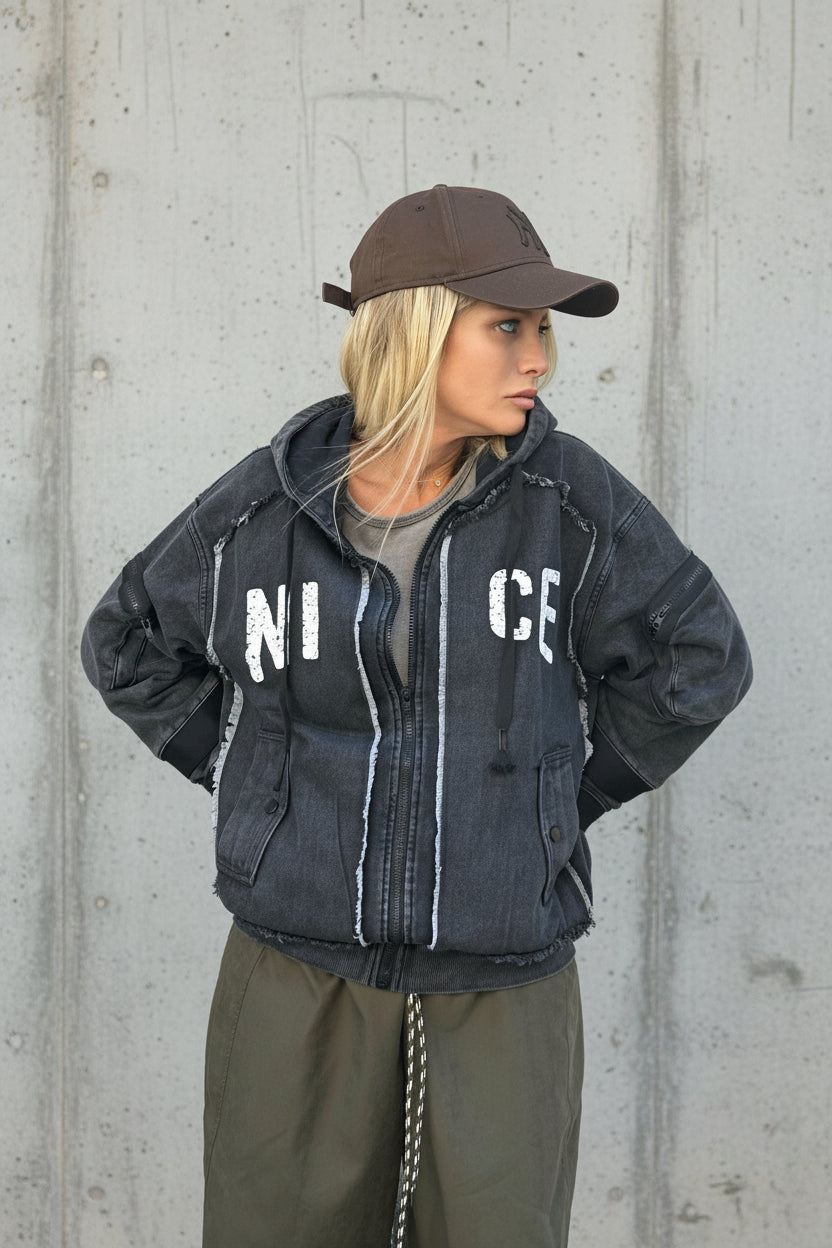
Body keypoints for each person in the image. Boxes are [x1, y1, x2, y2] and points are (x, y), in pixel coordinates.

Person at [81, 183, 752, 1248]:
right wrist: (258, 775)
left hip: (503, 977)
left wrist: (564, 799)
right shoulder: (268, 509)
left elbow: (699, 657)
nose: (539, 359)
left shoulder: (564, 502)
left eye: (542, 330)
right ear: (414, 333)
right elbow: (127, 640)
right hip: (296, 970)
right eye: (507, 327)